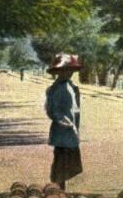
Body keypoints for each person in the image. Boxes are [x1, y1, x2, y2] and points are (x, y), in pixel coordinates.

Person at [45, 53, 83, 190]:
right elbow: (52, 110)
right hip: (62, 130)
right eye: (64, 70)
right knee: (61, 160)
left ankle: (60, 187)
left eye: (70, 70)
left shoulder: (72, 87)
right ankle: (58, 188)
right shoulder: (55, 89)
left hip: (71, 129)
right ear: (58, 71)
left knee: (69, 161)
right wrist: (63, 121)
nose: (68, 73)